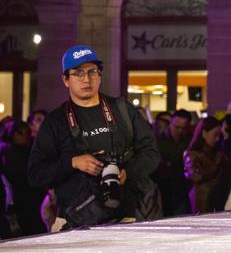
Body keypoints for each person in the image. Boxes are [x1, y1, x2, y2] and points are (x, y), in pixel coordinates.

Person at [27, 45, 161, 230]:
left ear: (99, 76)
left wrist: (128, 172)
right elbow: (35, 174)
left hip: (126, 218)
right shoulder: (55, 121)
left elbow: (151, 153)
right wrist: (73, 163)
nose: (86, 79)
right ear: (65, 80)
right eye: (78, 73)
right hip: (73, 222)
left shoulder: (122, 110)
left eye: (92, 71)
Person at [1, 117, 45, 235]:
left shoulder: (19, 151)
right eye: (26, 133)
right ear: (16, 135)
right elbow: (20, 178)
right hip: (21, 201)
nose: (29, 136)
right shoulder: (11, 153)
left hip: (23, 200)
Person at [185, 115, 229, 214]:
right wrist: (216, 165)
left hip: (218, 197)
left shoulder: (218, 151)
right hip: (202, 199)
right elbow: (196, 177)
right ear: (204, 133)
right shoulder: (193, 153)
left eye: (220, 135)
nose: (217, 139)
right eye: (215, 135)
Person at [154, 108, 193, 216]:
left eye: (183, 128)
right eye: (177, 127)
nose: (179, 131)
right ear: (170, 123)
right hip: (163, 189)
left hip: (182, 189)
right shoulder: (158, 141)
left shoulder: (188, 140)